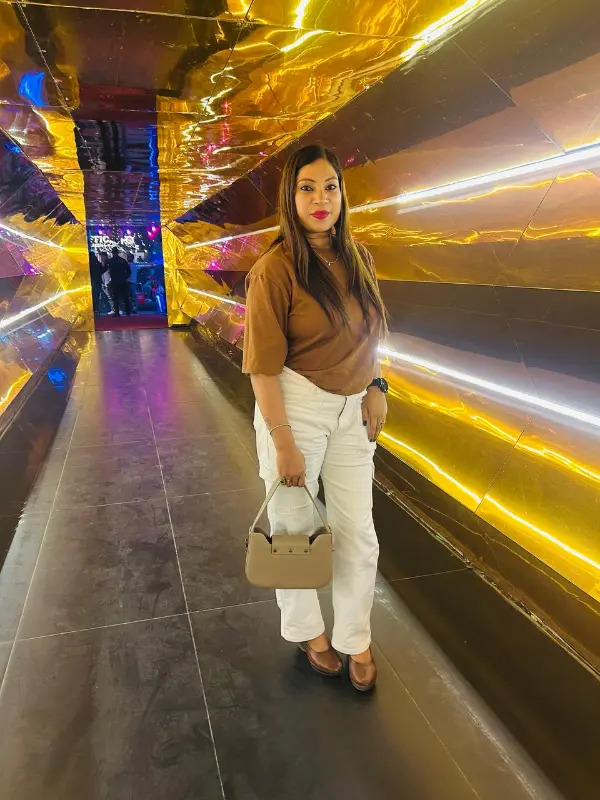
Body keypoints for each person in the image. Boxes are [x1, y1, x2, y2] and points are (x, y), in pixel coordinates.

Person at [242, 144, 389, 692]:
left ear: (342, 195)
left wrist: (376, 385)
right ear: (291, 196)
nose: (320, 198)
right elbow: (262, 367)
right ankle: (310, 632)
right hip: (295, 406)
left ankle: (356, 636)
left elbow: (369, 336)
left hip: (353, 411)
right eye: (307, 187)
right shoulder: (275, 269)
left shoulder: (359, 258)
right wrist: (282, 441)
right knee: (293, 531)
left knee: (358, 531)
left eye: (330, 187)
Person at [107, 246, 132, 316]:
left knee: (116, 297)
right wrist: (124, 277)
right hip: (121, 281)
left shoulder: (111, 261)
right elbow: (129, 271)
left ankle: (117, 312)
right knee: (124, 297)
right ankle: (127, 312)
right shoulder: (122, 261)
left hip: (115, 281)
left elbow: (106, 269)